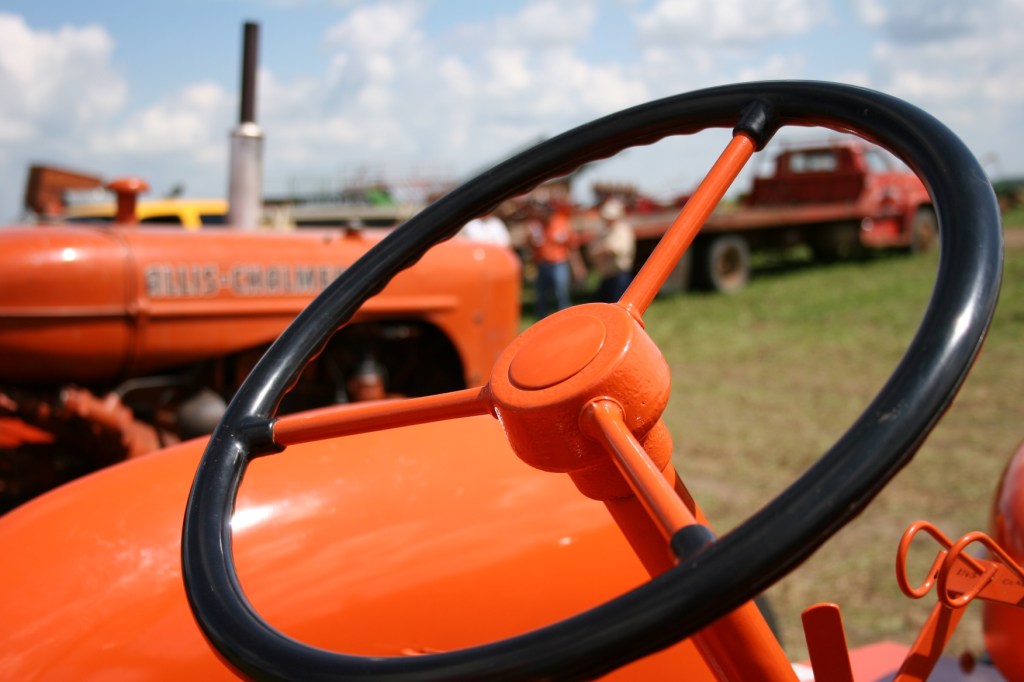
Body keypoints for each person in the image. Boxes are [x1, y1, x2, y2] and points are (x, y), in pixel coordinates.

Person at [528, 200, 575, 318]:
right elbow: (530, 243)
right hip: (542, 263)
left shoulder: (560, 222)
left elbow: (570, 241)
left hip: (559, 262)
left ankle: (566, 317)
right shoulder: (537, 225)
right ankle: (542, 318)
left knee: (561, 292)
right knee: (541, 294)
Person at [587, 198, 635, 303]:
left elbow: (614, 250)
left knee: (617, 304)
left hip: (619, 275)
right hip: (608, 276)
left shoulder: (622, 230)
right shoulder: (606, 231)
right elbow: (593, 248)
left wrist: (598, 251)